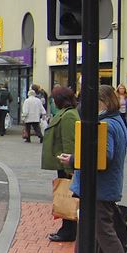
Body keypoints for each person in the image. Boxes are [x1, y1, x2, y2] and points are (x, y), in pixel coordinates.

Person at [61, 84, 127, 253]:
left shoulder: (106, 126)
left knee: (105, 234)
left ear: (103, 102)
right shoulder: (116, 121)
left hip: (99, 189)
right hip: (102, 188)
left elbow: (103, 158)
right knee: (89, 231)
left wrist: (75, 160)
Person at [42, 86, 78, 242]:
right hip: (63, 163)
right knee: (65, 196)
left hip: (66, 164)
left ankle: (68, 231)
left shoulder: (69, 115)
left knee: (67, 198)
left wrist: (70, 167)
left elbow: (69, 142)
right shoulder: (65, 113)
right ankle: (67, 228)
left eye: (54, 98)